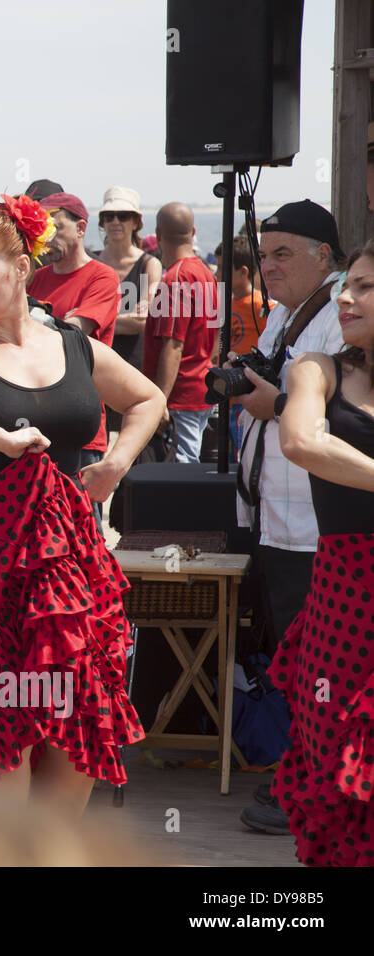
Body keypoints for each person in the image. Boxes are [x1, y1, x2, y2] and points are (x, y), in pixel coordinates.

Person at [0, 196, 164, 811]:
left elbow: (149, 399)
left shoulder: (71, 344)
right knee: (1, 706)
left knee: (75, 701)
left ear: (22, 269)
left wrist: (116, 464)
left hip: (70, 551)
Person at [232, 200, 347, 836]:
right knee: (291, 660)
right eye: (264, 254)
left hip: (314, 524)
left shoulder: (337, 319)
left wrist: (272, 403)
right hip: (274, 517)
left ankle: (313, 783)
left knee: (319, 667)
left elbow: (334, 416)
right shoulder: (282, 313)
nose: (268, 267)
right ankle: (304, 772)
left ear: (322, 257)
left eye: (283, 254)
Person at [269, 239, 374, 865]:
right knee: (337, 764)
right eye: (347, 284)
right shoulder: (318, 369)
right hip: (346, 601)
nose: (346, 297)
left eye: (365, 286)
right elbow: (302, 442)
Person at [28, 192, 121, 521]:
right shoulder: (36, 280)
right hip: (34, 424)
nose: (48, 239)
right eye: (43, 232)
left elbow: (72, 334)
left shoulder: (102, 277)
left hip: (80, 427)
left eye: (56, 228)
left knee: (83, 531)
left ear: (81, 228)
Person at [143, 202, 219, 463]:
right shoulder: (207, 274)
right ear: (194, 231)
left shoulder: (175, 279)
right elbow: (216, 336)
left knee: (182, 469)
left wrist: (159, 400)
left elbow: (173, 344)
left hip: (180, 396)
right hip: (203, 388)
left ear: (159, 235)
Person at [95, 187, 161, 439]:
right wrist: (124, 320)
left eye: (122, 215)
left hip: (134, 367)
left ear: (135, 222)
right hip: (97, 368)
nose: (114, 222)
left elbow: (142, 321)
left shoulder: (149, 264)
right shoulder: (93, 262)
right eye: (108, 216)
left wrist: (100, 320)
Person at [216, 235, 275, 454]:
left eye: (223, 268)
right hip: (230, 394)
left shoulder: (263, 307)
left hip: (250, 394)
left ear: (243, 272)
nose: (217, 274)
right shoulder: (225, 304)